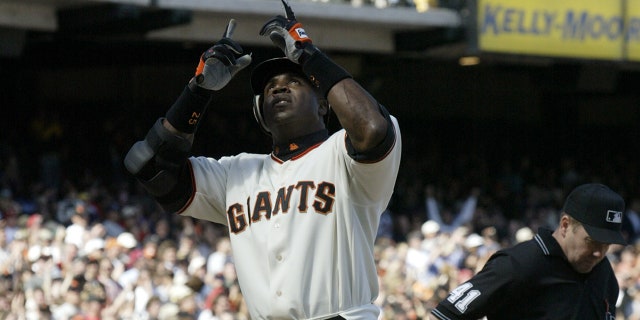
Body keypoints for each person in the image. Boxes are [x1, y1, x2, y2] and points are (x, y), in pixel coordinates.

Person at [123, 0, 402, 318]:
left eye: (294, 82)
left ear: (325, 105)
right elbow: (151, 166)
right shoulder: (236, 172)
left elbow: (373, 128)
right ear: (259, 114)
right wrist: (197, 92)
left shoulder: (343, 154)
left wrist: (310, 57)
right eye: (270, 87)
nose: (279, 89)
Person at [430, 183, 626, 320]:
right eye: (591, 242)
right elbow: (446, 315)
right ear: (565, 225)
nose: (599, 253)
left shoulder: (604, 274)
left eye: (606, 244)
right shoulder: (519, 264)